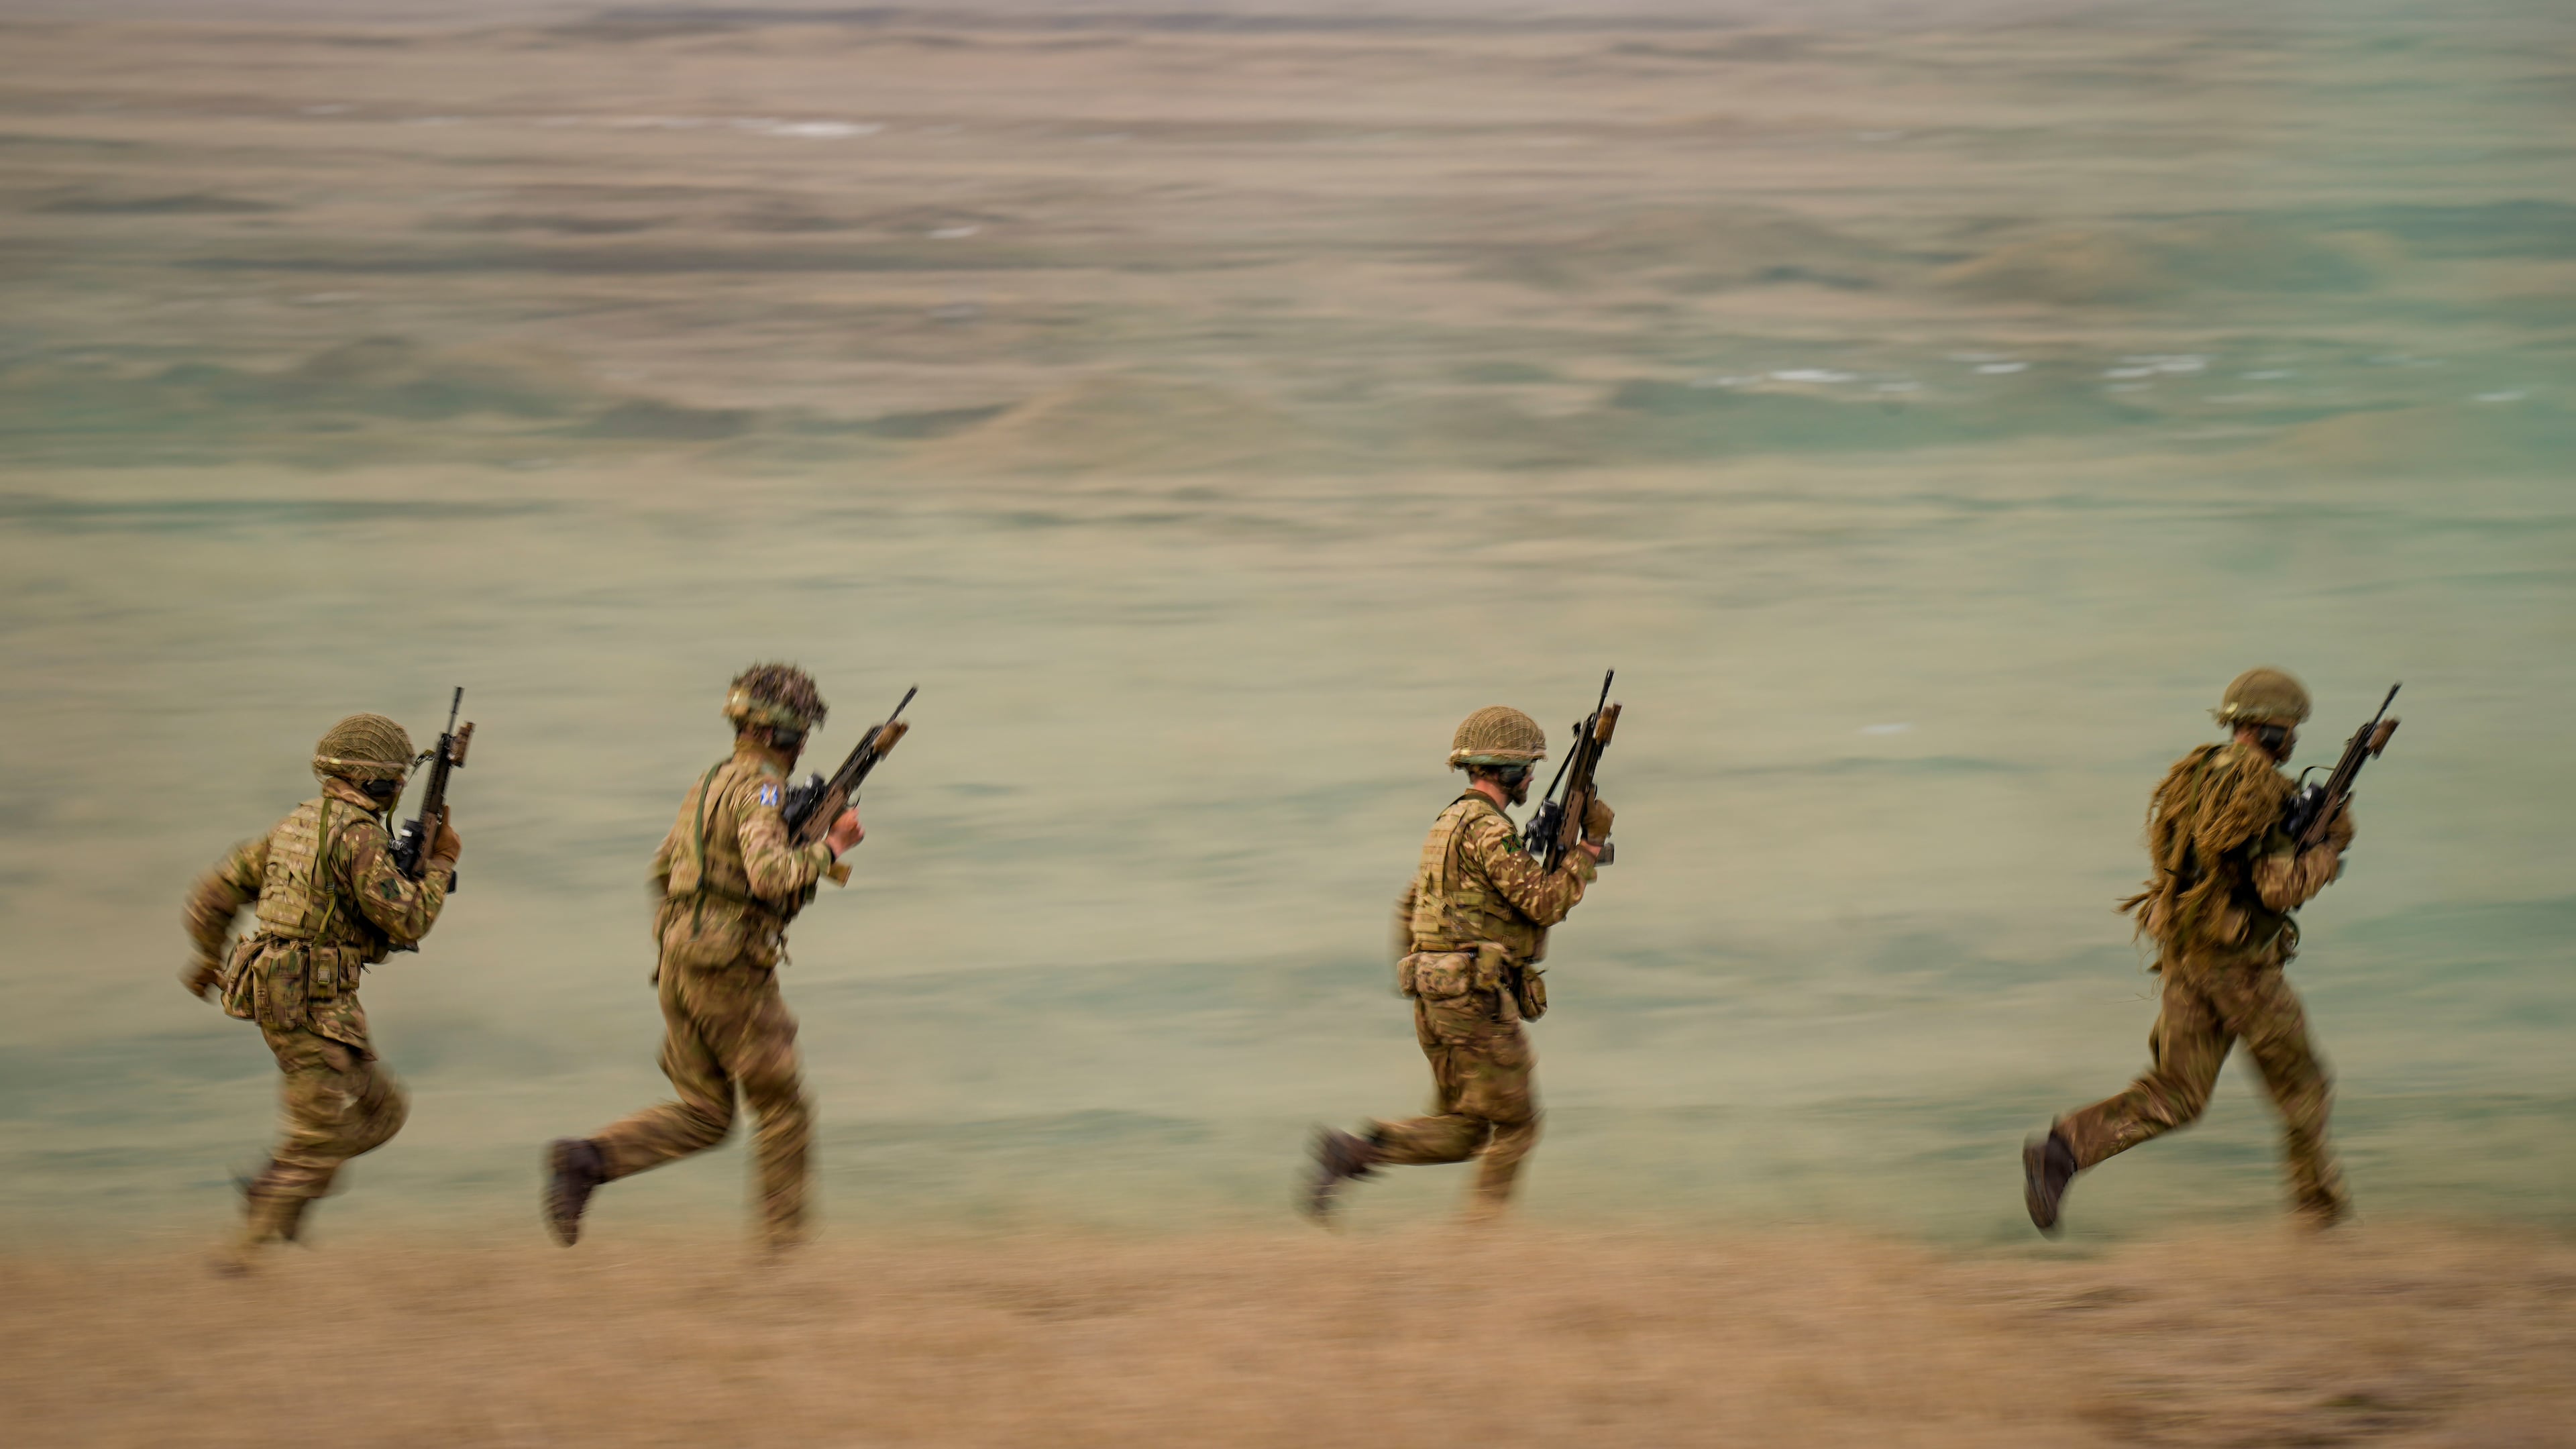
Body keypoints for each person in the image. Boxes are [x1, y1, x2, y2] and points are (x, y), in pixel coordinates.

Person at [2025, 667, 2359, 1234]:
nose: (2295, 739)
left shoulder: (2199, 772)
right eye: (2290, 728)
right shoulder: (2260, 788)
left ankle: (2062, 1151)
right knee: (2304, 1089)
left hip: (2189, 954)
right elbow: (2277, 888)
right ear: (2268, 729)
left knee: (2176, 1092)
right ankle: (2318, 1220)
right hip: (2241, 971)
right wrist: (2328, 849)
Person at [544, 663, 865, 1251]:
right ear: (775, 735)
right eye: (798, 737)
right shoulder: (763, 789)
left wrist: (692, 938)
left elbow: (664, 873)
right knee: (783, 1109)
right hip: (727, 971)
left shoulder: (711, 782)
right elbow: (770, 876)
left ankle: (588, 1161)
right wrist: (831, 848)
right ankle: (785, 1267)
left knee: (706, 1112)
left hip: (678, 963)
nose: (800, 750)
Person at [1304, 705, 1609, 1224]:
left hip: (1437, 998)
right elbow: (1543, 904)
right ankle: (1478, 1252)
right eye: (1528, 767)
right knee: (1518, 1127)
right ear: (1508, 771)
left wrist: (1429, 977)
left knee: (1466, 1128)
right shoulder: (1490, 830)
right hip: (1471, 1001)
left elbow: (1411, 905)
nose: (1533, 775)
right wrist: (1589, 849)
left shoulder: (1445, 825)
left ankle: (1357, 1150)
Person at [182, 711, 460, 1273]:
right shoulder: (357, 836)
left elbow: (214, 894)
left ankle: (279, 1187)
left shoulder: (296, 825)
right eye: (396, 779)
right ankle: (241, 1254)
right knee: (314, 1138)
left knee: (383, 1112)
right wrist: (441, 865)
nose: (400, 788)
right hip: (308, 1003)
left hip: (297, 998)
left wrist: (207, 957)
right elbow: (407, 921)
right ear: (377, 782)